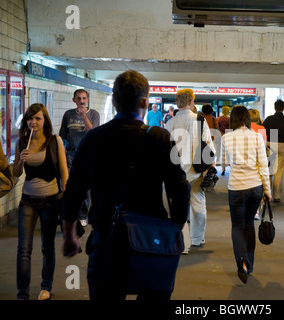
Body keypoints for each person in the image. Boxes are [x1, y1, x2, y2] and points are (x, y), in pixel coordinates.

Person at [61, 70, 190, 300]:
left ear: (115, 101)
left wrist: (70, 234)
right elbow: (180, 187)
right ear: (144, 101)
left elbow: (74, 190)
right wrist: (175, 226)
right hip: (152, 239)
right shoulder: (160, 137)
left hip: (106, 239)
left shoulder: (93, 139)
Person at [13, 103, 69, 300]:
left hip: (50, 201)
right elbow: (16, 174)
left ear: (45, 121)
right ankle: (22, 293)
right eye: (30, 118)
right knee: (24, 249)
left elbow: (64, 172)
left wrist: (68, 197)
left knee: (47, 246)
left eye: (38, 118)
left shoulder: (55, 141)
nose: (33, 122)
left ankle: (46, 286)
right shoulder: (21, 142)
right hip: (27, 200)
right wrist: (21, 160)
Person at [221, 105, 272, 284]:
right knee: (249, 224)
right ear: (248, 120)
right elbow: (263, 165)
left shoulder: (226, 138)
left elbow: (224, 162)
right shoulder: (257, 137)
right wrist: (267, 190)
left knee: (237, 226)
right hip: (255, 187)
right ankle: (249, 264)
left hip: (236, 187)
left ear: (233, 119)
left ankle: (241, 260)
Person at [165, 89, 215, 254]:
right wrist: (211, 166)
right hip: (196, 171)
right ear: (191, 102)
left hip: (176, 173)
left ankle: (183, 244)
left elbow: (166, 149)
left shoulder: (170, 123)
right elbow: (208, 145)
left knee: (179, 209)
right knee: (198, 206)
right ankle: (196, 238)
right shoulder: (199, 120)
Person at [59, 89, 100, 226]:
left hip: (86, 154)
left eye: (83, 98)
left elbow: (93, 132)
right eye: (78, 98)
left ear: (87, 99)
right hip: (70, 153)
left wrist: (84, 116)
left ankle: (83, 214)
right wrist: (63, 144)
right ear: (74, 100)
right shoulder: (68, 114)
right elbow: (63, 133)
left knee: (85, 185)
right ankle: (70, 214)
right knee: (68, 183)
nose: (81, 101)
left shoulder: (94, 114)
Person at [262, 100, 284, 202]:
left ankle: (267, 194)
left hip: (271, 144)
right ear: (283, 108)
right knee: (279, 171)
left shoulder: (269, 119)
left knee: (270, 171)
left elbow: (263, 134)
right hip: (283, 145)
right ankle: (277, 196)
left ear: (274, 107)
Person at [218, 106, 230, 175]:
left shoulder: (219, 119)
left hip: (221, 137)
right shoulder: (229, 119)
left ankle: (223, 170)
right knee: (228, 152)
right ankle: (229, 165)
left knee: (222, 153)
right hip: (228, 137)